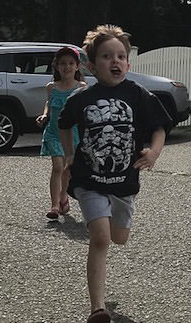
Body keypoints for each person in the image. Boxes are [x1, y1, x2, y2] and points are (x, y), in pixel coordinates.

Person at [59, 24, 172, 323]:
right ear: (92, 66)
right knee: (101, 239)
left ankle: (107, 222)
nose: (115, 62)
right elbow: (63, 123)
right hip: (89, 179)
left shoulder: (137, 94)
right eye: (107, 56)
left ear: (129, 63)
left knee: (119, 237)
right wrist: (69, 154)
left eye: (121, 56)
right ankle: (98, 308)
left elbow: (160, 127)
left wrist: (154, 152)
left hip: (124, 182)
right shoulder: (81, 99)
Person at [36, 46, 86, 220]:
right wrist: (45, 115)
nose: (67, 67)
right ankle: (54, 205)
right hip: (54, 132)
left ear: (77, 66)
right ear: (57, 66)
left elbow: (83, 109)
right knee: (57, 167)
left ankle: (63, 196)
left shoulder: (81, 87)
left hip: (73, 134)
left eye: (71, 63)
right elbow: (49, 103)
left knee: (67, 169)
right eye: (63, 63)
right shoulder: (52, 87)